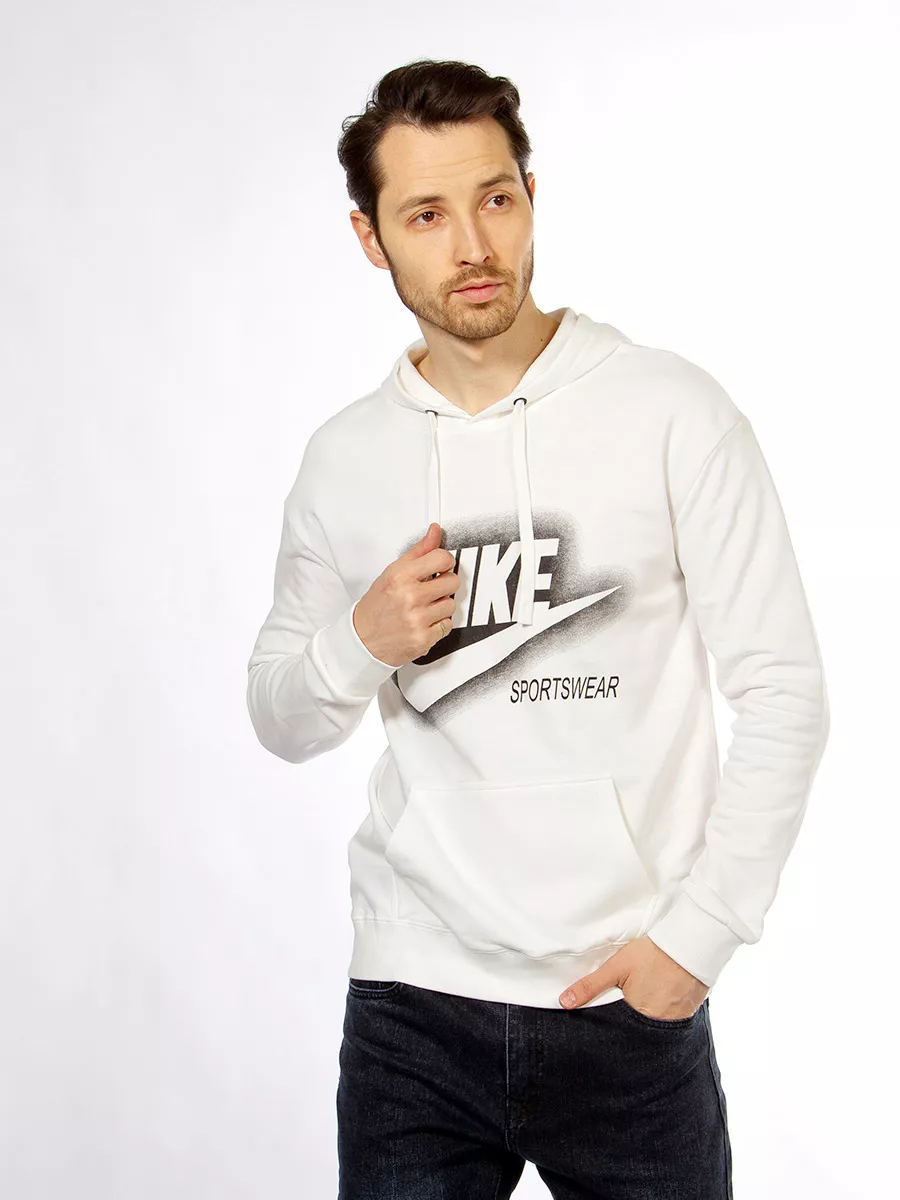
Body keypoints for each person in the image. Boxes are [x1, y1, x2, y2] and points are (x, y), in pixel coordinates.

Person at [246, 58, 829, 1200]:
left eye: (495, 198)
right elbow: (280, 716)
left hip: (627, 1009)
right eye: (427, 214)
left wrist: (697, 940)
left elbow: (785, 691)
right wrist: (360, 640)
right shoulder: (345, 460)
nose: (473, 244)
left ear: (530, 196)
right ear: (370, 238)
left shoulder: (671, 411)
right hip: (413, 1012)